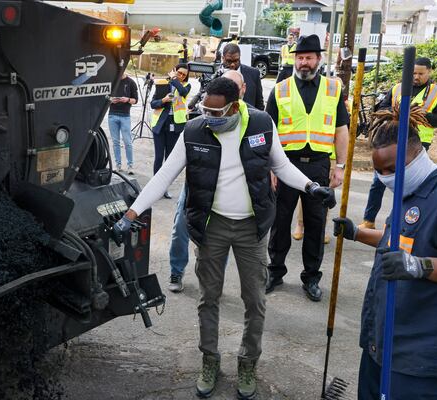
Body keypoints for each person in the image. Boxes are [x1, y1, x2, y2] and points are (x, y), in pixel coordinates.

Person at [113, 77, 336, 399]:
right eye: (206, 111)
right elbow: (163, 175)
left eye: (218, 113)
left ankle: (248, 362)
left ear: (235, 106)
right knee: (209, 298)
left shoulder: (261, 123)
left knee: (255, 300)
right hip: (211, 226)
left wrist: (312, 188)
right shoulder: (193, 131)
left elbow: (282, 166)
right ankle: (209, 360)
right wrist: (130, 214)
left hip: (252, 227)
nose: (211, 118)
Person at [332, 106, 437, 399]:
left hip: (417, 355)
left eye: (392, 169)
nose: (386, 178)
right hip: (381, 339)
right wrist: (357, 233)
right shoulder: (409, 192)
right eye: (379, 172)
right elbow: (401, 242)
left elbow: (413, 257)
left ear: (417, 153)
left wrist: (419, 266)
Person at [265, 34, 350, 301]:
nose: (303, 62)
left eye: (308, 57)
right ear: (294, 60)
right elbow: (269, 131)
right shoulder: (280, 89)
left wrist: (340, 166)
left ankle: (311, 277)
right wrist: (270, 168)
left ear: (318, 59)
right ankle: (275, 271)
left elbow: (341, 130)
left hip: (319, 167)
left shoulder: (334, 89)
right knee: (280, 222)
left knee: (315, 225)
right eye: (299, 57)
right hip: (285, 165)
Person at [167, 69, 247, 293]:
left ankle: (214, 279)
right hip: (196, 187)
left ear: (241, 92)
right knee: (180, 228)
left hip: (225, 192)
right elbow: (168, 170)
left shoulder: (251, 121)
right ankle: (176, 269)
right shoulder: (199, 125)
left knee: (220, 239)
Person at [358, 56, 437, 230]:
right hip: (391, 141)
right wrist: (394, 112)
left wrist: (422, 115)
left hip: (417, 145)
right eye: (413, 73)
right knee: (379, 181)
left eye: (421, 73)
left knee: (410, 185)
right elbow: (381, 108)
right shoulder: (397, 88)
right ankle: (369, 219)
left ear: (429, 72)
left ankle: (404, 223)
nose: (416, 77)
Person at [150, 63, 191, 199]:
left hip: (175, 125)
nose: (181, 76)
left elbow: (183, 93)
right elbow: (153, 104)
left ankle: (164, 188)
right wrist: (164, 100)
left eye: (184, 75)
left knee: (169, 159)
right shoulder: (162, 84)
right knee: (159, 157)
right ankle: (155, 187)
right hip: (160, 124)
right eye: (179, 73)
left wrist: (174, 79)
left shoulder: (185, 86)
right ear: (174, 70)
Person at [108, 72, 138, 174]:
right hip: (112, 115)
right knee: (115, 142)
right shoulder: (112, 81)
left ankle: (130, 166)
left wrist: (127, 99)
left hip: (125, 116)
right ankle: (118, 165)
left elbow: (135, 100)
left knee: (127, 142)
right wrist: (111, 100)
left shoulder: (131, 83)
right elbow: (105, 97)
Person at [221, 43, 264, 110]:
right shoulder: (215, 75)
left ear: (240, 57)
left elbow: (259, 103)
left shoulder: (254, 74)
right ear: (223, 58)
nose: (232, 64)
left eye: (235, 61)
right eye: (229, 61)